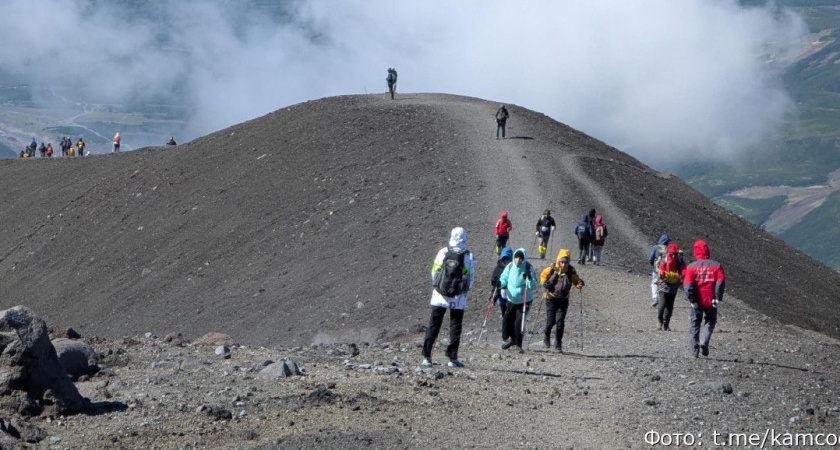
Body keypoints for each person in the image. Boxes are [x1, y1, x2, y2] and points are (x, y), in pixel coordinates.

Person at [422, 227, 475, 368]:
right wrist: (463, 291)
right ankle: (452, 358)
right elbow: (470, 278)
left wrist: (439, 288)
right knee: (455, 326)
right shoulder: (467, 256)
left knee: (434, 325)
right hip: (458, 298)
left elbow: (435, 271)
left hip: (439, 296)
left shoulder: (443, 252)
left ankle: (427, 357)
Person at [683, 240, 725, 358]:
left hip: (697, 300)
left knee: (695, 323)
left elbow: (687, 286)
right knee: (711, 320)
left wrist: (692, 300)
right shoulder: (716, 266)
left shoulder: (691, 267)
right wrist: (718, 298)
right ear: (707, 250)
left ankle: (694, 350)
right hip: (711, 300)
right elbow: (720, 283)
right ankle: (704, 341)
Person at [540, 249, 584, 352]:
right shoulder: (552, 269)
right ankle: (546, 336)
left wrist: (579, 284)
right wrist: (544, 283)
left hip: (563, 299)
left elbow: (576, 280)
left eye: (566, 262)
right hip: (550, 297)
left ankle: (558, 344)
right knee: (551, 321)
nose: (564, 264)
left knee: (560, 322)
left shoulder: (571, 271)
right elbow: (543, 276)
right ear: (559, 260)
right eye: (562, 261)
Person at [499, 248, 537, 353]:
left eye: (520, 258)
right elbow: (504, 278)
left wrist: (528, 279)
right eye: (516, 257)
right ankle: (511, 339)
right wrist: (500, 284)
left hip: (524, 299)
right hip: (511, 298)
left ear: (523, 258)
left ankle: (518, 345)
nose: (518, 260)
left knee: (519, 322)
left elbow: (534, 285)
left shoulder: (528, 267)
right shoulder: (510, 266)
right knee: (507, 319)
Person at [656, 243, 685, 331]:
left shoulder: (679, 261)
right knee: (661, 305)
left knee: (670, 307)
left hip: (673, 286)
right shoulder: (664, 261)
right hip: (663, 286)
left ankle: (666, 324)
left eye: (675, 254)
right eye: (672, 253)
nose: (673, 255)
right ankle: (660, 321)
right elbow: (661, 272)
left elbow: (684, 271)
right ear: (668, 252)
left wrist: (682, 278)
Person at [490, 247, 513, 332]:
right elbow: (494, 284)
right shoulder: (498, 269)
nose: (506, 261)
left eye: (508, 260)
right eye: (505, 259)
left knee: (510, 313)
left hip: (511, 295)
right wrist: (493, 296)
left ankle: (509, 329)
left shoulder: (513, 268)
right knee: (505, 314)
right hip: (501, 295)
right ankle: (506, 330)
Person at [648, 234, 670, 307]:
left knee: (654, 283)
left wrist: (653, 266)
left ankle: (655, 298)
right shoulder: (669, 249)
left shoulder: (655, 248)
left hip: (657, 269)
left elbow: (650, 258)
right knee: (663, 285)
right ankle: (663, 301)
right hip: (666, 271)